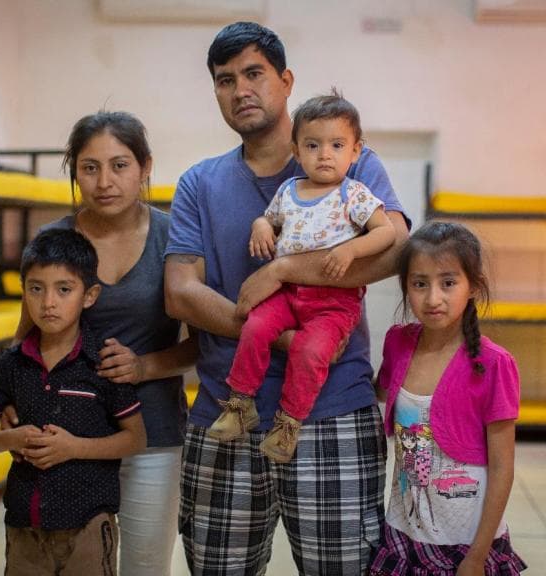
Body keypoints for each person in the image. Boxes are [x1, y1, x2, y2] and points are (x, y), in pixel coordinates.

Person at [164, 21, 410, 574]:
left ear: (285, 80)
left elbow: (396, 252)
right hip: (227, 415)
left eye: (254, 74)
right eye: (225, 80)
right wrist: (279, 333)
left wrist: (283, 270)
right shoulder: (198, 184)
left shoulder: (346, 161)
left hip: (334, 414)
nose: (241, 90)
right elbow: (180, 293)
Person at [4, 111, 196, 576]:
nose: (104, 181)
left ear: (145, 167)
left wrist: (143, 367)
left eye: (120, 165)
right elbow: (26, 332)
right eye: (89, 168)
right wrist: (9, 399)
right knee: (71, 563)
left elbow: (203, 344)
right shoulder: (53, 238)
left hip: (152, 431)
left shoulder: (174, 236)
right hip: (65, 434)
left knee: (145, 566)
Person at [209, 91, 396, 464]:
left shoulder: (353, 193)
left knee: (310, 351)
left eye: (337, 145)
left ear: (355, 151)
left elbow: (387, 233)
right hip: (288, 294)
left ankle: (288, 422)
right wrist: (261, 226)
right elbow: (270, 217)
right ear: (296, 151)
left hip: (333, 301)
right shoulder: (289, 190)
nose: (324, 154)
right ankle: (240, 404)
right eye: (313, 145)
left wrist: (350, 250)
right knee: (255, 327)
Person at [0, 228, 147, 576]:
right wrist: (12, 438)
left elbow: (135, 438)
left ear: (89, 295)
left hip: (88, 525)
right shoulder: (11, 364)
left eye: (63, 289)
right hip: (23, 525)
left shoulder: (103, 362)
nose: (48, 302)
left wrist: (72, 447)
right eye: (36, 289)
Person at [370, 221, 527, 576]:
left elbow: (503, 469)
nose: (432, 298)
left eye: (448, 282)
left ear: (474, 286)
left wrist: (476, 556)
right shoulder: (398, 342)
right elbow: (377, 391)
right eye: (419, 283)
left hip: (466, 541)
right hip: (404, 531)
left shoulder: (493, 364)